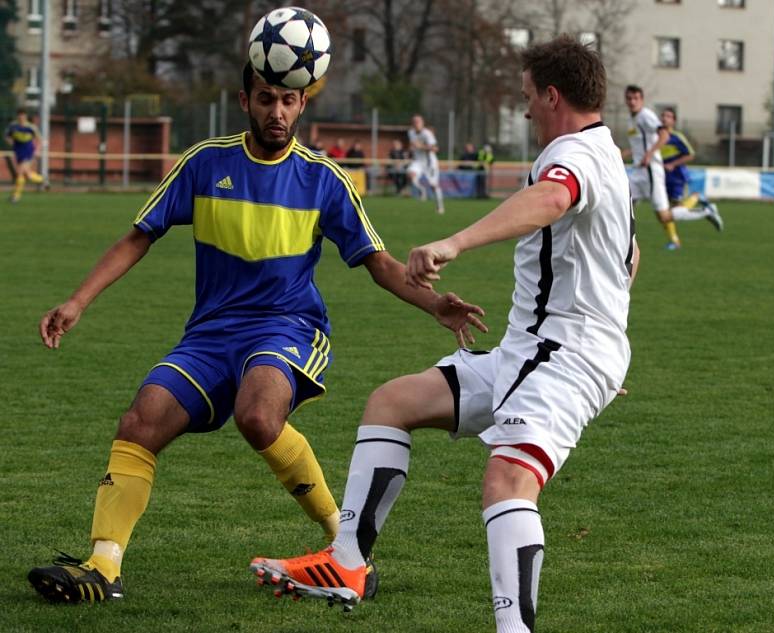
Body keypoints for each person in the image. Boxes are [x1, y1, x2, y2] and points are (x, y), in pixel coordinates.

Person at [28, 62, 486, 605]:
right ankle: (103, 567)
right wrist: (78, 300)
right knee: (140, 421)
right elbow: (138, 236)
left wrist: (435, 304)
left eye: (288, 101)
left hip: (288, 327)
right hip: (209, 335)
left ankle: (344, 547)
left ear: (302, 106)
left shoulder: (322, 179)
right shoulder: (205, 162)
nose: (278, 112)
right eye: (266, 98)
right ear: (244, 100)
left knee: (257, 414)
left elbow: (377, 262)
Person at [250, 35, 640, 633]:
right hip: (537, 351)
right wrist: (607, 344)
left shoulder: (576, 157)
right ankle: (347, 565)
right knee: (392, 403)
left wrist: (453, 242)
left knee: (508, 480)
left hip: (561, 354)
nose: (525, 108)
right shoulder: (606, 153)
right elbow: (629, 256)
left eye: (528, 97)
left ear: (553, 95)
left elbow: (551, 198)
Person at [622, 86, 721, 250]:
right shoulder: (631, 120)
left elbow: (664, 135)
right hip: (638, 172)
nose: (632, 102)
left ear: (642, 100)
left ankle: (706, 212)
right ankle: (620, 244)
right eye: (629, 98)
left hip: (650, 171)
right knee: (622, 203)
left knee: (664, 216)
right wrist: (620, 155)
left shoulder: (645, 115)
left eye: (635, 98)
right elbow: (637, 146)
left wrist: (649, 154)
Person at [660, 107, 722, 229]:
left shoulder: (676, 137)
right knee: (669, 212)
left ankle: (704, 207)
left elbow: (690, 155)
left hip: (677, 178)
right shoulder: (657, 137)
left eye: (668, 116)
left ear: (674, 121)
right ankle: (700, 201)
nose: (664, 119)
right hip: (664, 178)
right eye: (663, 116)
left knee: (674, 211)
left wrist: (673, 164)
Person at [4, 108, 46, 203]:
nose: (21, 117)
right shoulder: (13, 126)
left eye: (23, 115)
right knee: (27, 175)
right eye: (19, 115)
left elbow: (40, 140)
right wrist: (11, 143)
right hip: (18, 152)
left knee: (19, 172)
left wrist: (37, 151)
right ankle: (43, 180)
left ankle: (16, 196)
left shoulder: (31, 127)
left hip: (28, 152)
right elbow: (6, 136)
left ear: (25, 116)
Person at [407, 114, 446, 215]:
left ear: (422, 123)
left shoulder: (427, 134)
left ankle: (440, 206)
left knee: (434, 185)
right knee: (410, 174)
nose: (416, 124)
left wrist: (421, 146)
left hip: (430, 163)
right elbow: (413, 145)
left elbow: (435, 149)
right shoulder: (411, 133)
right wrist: (411, 149)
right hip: (418, 161)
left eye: (418, 122)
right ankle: (422, 190)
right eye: (414, 122)